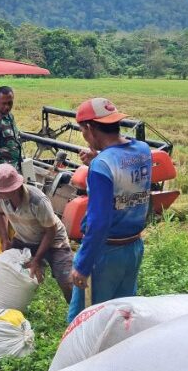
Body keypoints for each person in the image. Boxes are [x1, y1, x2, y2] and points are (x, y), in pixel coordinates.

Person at [67, 98, 152, 323]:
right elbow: (124, 168)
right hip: (133, 247)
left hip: (105, 254)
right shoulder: (143, 150)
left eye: (83, 131)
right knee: (121, 316)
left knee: (85, 321)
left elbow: (99, 221)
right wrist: (99, 156)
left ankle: (81, 359)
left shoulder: (101, 166)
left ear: (90, 128)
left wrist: (83, 265)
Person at [0, 163, 73, 303]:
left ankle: (79, 314)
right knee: (9, 270)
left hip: (54, 241)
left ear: (13, 188)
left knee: (66, 281)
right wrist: (5, 239)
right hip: (24, 238)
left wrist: (36, 259)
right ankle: (10, 305)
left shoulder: (38, 201)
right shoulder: (1, 198)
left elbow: (50, 232)